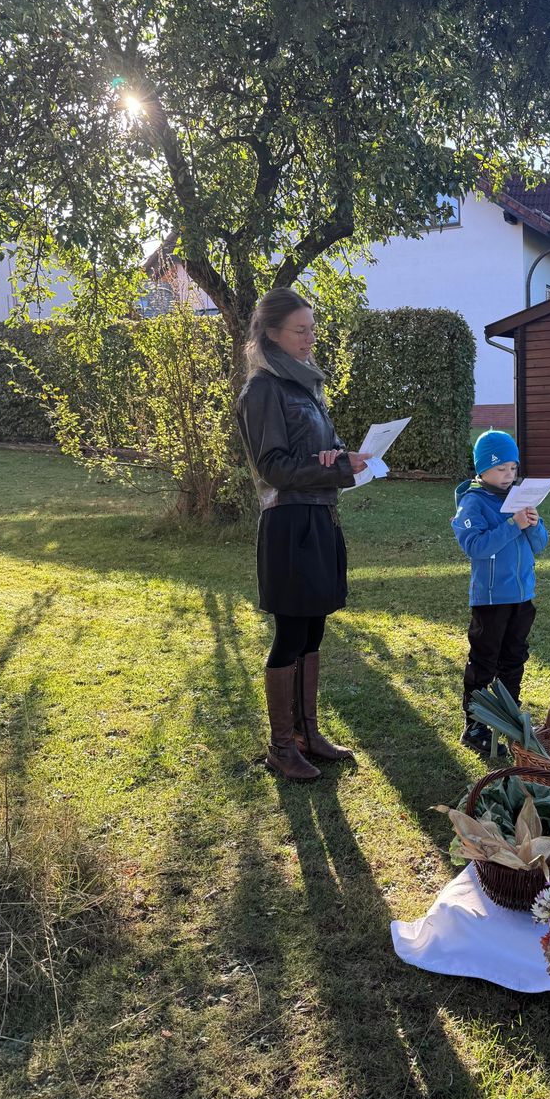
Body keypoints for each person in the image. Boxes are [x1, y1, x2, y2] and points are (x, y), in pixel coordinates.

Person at [236, 288, 367, 782]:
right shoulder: (263, 389)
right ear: (272, 333)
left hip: (319, 518)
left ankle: (307, 734)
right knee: (291, 633)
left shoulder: (305, 384)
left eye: (312, 328)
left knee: (314, 628)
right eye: (300, 330)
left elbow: (316, 451)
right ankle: (281, 746)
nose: (310, 338)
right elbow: (273, 467)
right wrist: (331, 468)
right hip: (289, 524)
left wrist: (338, 456)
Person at [451, 430, 549, 756]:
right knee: (484, 661)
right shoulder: (473, 502)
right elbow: (475, 546)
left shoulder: (520, 499)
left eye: (513, 467)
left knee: (514, 657)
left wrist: (533, 524)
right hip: (491, 600)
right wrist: (511, 525)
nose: (508, 475)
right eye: (500, 468)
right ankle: (475, 725)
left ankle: (508, 716)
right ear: (482, 469)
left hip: (522, 596)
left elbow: (539, 545)